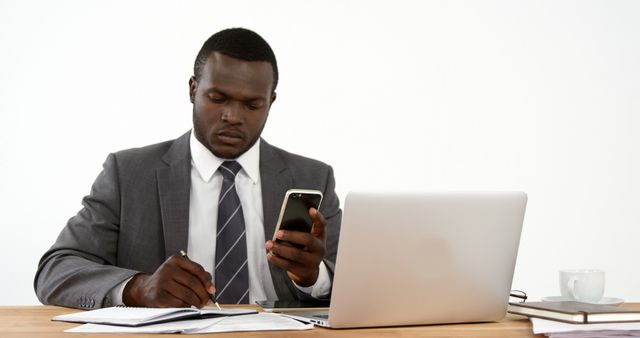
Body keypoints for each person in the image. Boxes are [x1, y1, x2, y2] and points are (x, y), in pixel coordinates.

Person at [34, 28, 341, 309]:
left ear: (271, 102)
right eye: (218, 98)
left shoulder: (313, 178)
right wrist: (137, 288)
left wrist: (313, 277)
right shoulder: (127, 174)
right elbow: (56, 269)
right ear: (193, 89)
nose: (232, 116)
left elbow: (354, 283)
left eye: (251, 105)